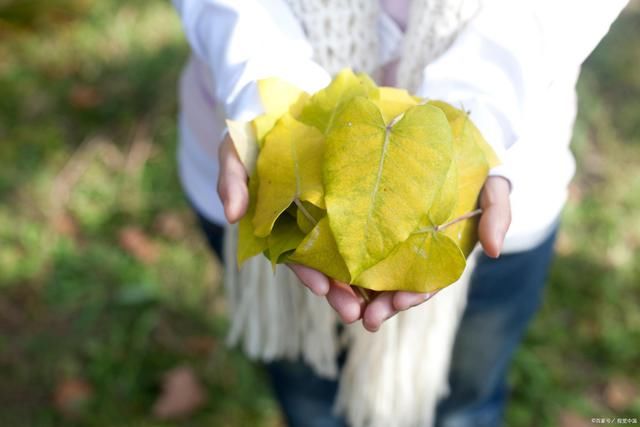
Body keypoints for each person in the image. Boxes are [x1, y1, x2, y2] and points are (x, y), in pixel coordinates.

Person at [172, 1, 628, 426]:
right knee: (308, 395)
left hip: (499, 167)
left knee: (465, 400)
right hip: (268, 167)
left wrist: (475, 114)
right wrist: (263, 86)